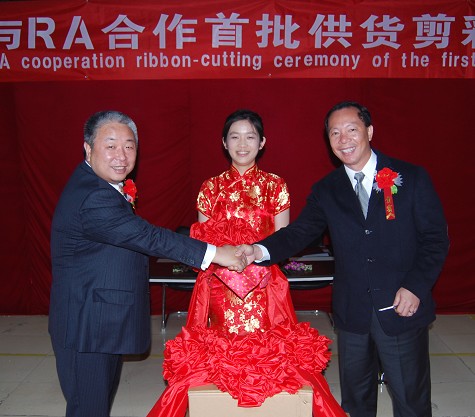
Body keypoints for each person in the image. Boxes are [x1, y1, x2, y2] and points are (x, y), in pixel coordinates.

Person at [237, 101, 450, 417]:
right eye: (334, 133)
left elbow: (435, 240)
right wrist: (258, 250)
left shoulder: (411, 177)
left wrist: (415, 287)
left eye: (351, 129)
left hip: (401, 306)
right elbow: (299, 233)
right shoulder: (328, 189)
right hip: (353, 313)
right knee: (356, 401)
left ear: (369, 131)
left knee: (411, 401)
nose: (343, 139)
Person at [146, 109, 346, 417]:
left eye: (250, 137)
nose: (242, 144)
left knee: (272, 355)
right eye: (235, 137)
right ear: (224, 142)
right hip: (220, 286)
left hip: (264, 286)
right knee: (218, 357)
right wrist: (226, 263)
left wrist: (254, 259)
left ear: (262, 142)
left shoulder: (275, 186)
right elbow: (205, 246)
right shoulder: (210, 188)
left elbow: (282, 242)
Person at [49, 110, 247, 417]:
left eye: (129, 146)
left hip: (97, 320)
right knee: (88, 408)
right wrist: (217, 253)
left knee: (96, 405)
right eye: (110, 145)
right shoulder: (93, 196)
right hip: (86, 325)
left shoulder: (97, 185)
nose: (121, 156)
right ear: (88, 148)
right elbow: (147, 236)